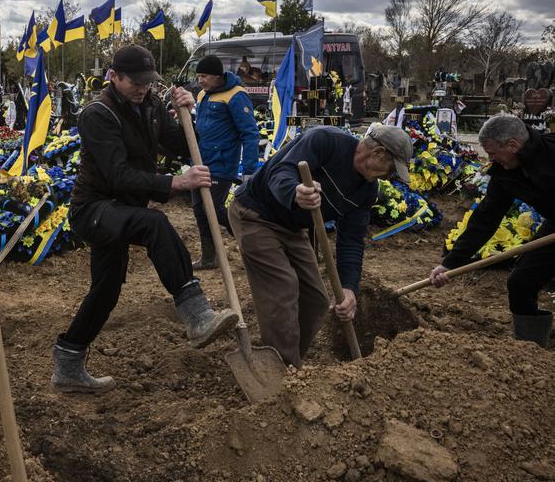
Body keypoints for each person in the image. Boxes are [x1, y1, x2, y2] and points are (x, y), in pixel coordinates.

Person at [52, 45, 239, 393]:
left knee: (105, 291)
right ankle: (196, 313)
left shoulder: (151, 106)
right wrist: (176, 183)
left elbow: (185, 145)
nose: (141, 88)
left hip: (125, 209)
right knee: (155, 223)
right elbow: (116, 175)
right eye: (134, 82)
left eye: (147, 82)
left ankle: (68, 363)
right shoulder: (98, 113)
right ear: (114, 76)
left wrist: (188, 113)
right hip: (95, 209)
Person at [228, 125, 413, 367]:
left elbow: (352, 240)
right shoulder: (325, 141)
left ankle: (288, 362)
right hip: (256, 213)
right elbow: (281, 171)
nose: (388, 177)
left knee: (315, 300)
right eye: (390, 170)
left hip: (292, 228)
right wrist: (296, 192)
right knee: (283, 287)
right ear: (378, 153)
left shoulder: (366, 191)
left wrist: (348, 288)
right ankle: (283, 372)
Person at [429, 114, 555, 348]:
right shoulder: (505, 173)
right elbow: (486, 218)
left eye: (493, 153)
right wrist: (451, 262)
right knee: (521, 281)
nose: (490, 159)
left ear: (513, 145)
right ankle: (531, 351)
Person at [191, 55, 259, 270]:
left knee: (214, 208)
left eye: (205, 76)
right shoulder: (202, 95)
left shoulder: (236, 95)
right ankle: (209, 257)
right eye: (199, 76)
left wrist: (249, 170)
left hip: (222, 164)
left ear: (218, 76)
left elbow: (250, 133)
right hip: (201, 162)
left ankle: (253, 249)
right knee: (199, 210)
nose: (200, 81)